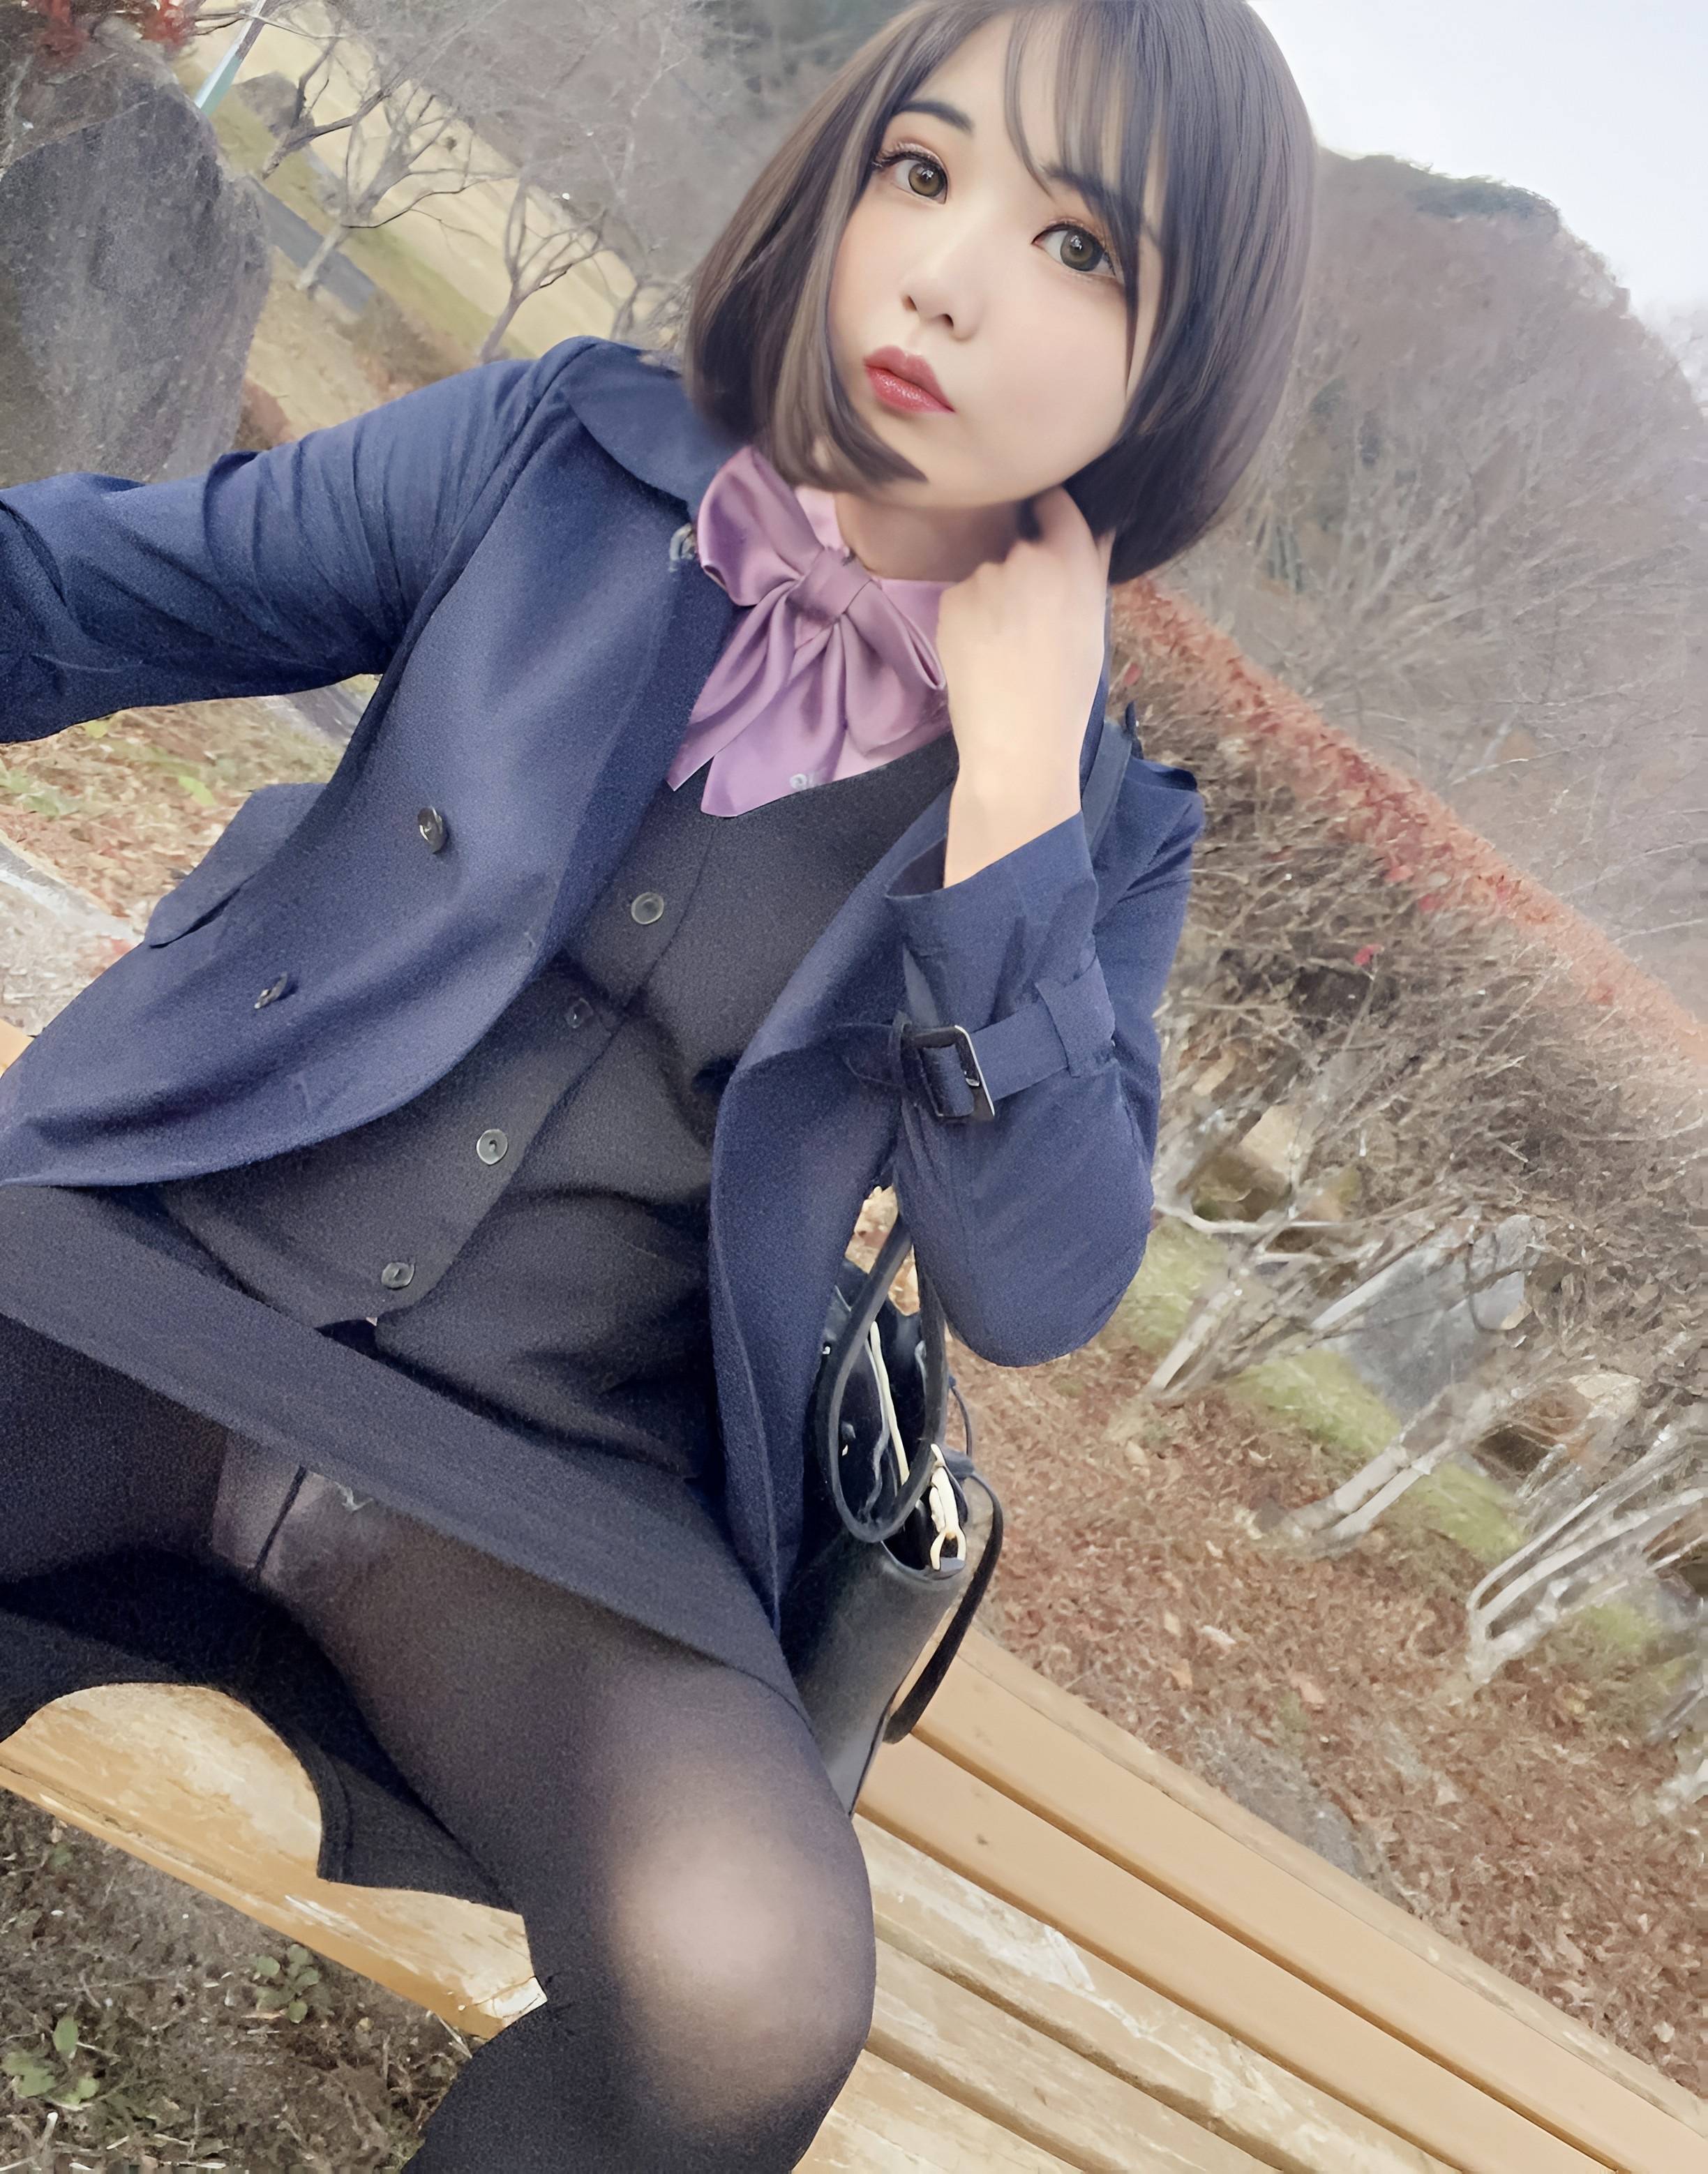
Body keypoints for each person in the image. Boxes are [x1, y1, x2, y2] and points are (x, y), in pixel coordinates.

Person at [0, 0, 1313, 2163]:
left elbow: (1041, 1275)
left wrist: (1011, 802)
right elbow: (102, 588)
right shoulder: (558, 458)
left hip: (562, 1484)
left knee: (746, 1979)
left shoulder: (1102, 826)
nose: (949, 276)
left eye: (1081, 247)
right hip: (159, 1264)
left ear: (1181, 360)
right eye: (923, 170)